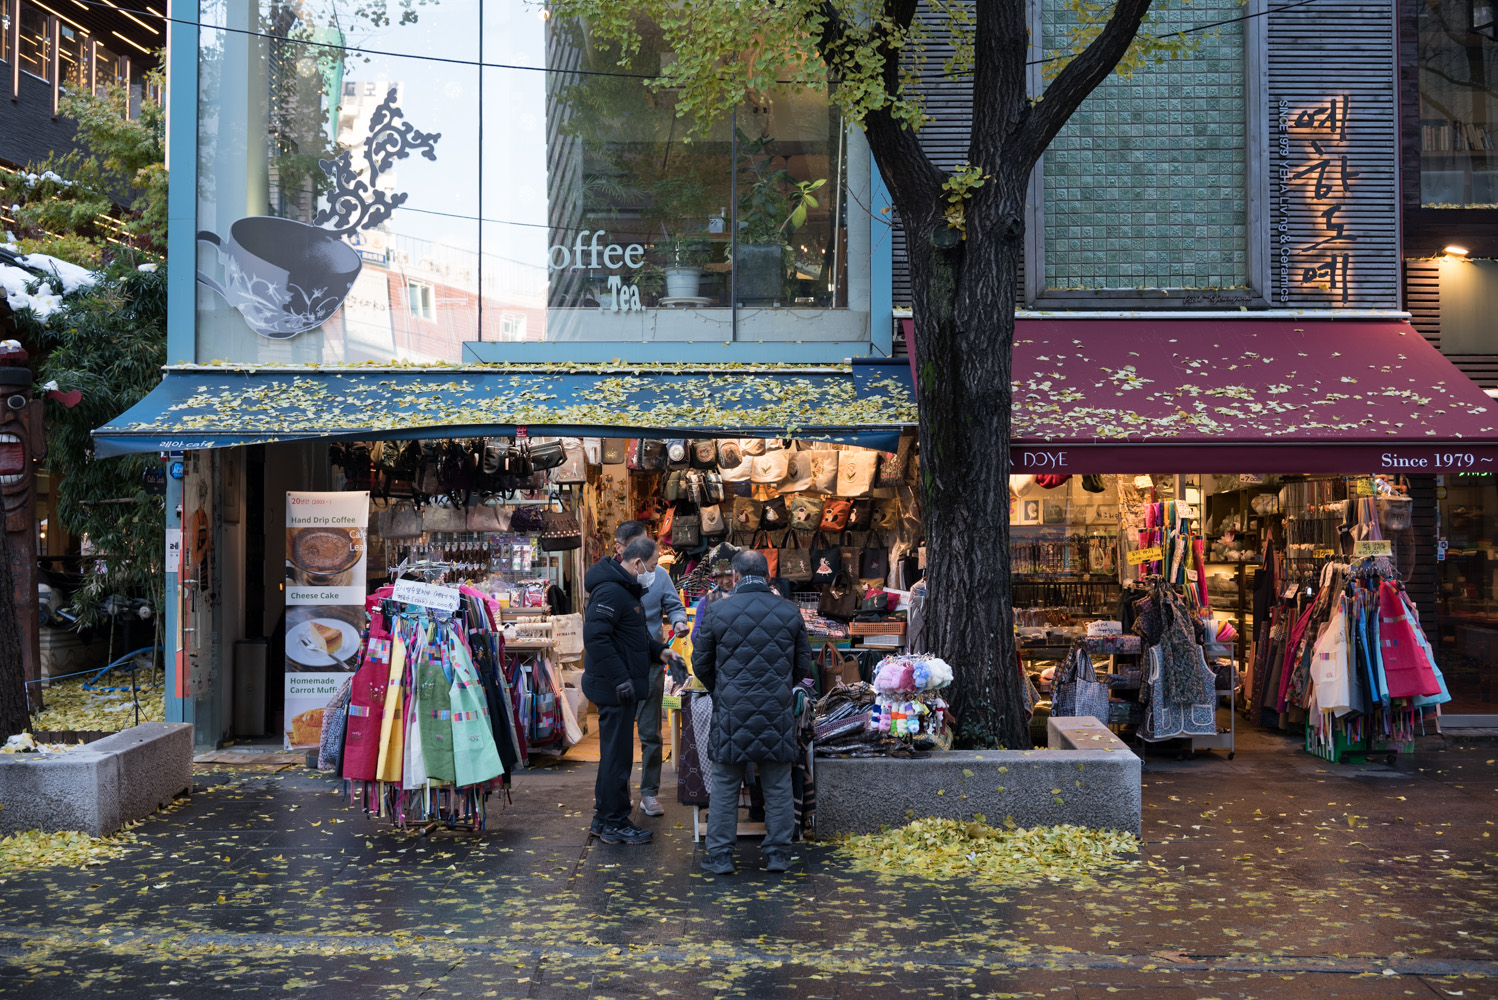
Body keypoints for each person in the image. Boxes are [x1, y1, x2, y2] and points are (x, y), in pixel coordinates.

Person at [691, 549, 813, 874]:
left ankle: (719, 857)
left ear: (734, 576)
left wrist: (722, 689)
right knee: (777, 784)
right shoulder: (790, 612)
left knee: (725, 784)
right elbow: (802, 665)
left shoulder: (717, 611)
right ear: (768, 576)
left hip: (732, 710)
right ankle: (778, 855)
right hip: (776, 710)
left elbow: (700, 663)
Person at [582, 534, 677, 845]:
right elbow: (596, 639)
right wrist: (621, 677)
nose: (652, 571)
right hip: (614, 688)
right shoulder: (611, 591)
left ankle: (604, 818)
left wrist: (659, 651)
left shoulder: (624, 590)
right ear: (637, 563)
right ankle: (614, 822)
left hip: (618, 685)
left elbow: (631, 638)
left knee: (616, 754)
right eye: (651, 565)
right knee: (616, 757)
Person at [635, 547, 688, 817]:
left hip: (652, 660)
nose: (653, 568)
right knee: (617, 734)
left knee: (651, 732)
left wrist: (679, 621)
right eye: (651, 563)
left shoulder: (661, 576)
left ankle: (649, 792)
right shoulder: (614, 577)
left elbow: (675, 605)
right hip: (620, 663)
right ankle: (613, 792)